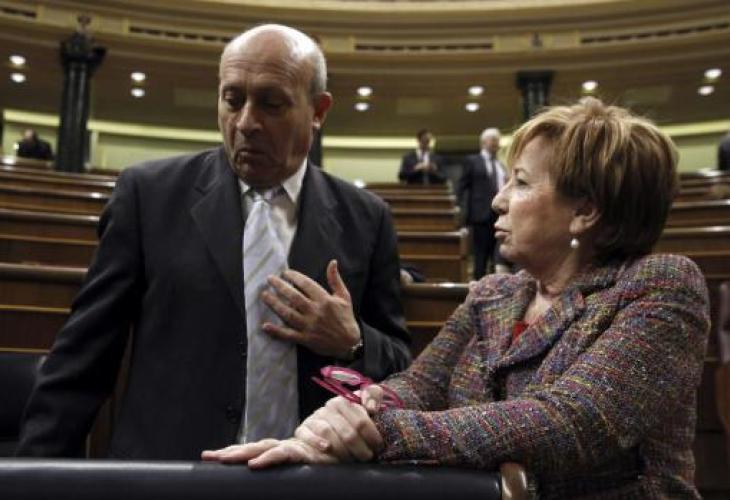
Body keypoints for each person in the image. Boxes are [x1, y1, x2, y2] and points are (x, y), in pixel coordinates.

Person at [203, 98, 710, 499]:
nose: (498, 200)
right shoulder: (493, 293)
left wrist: (378, 432)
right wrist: (354, 413)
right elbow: (419, 385)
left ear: (586, 211)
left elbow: (570, 423)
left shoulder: (662, 286)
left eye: (521, 183)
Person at [17, 24, 411, 460]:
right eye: (232, 99)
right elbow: (82, 359)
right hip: (167, 475)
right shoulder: (149, 197)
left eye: (271, 103)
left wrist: (354, 343)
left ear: (318, 111)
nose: (246, 123)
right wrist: (33, 475)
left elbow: (404, 373)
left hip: (310, 476)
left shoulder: (367, 219)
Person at [458, 127, 509, 279]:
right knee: (480, 255)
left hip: (500, 215)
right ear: (483, 142)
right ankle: (479, 287)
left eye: (498, 140)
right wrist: (461, 214)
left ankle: (495, 286)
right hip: (480, 215)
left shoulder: (500, 165)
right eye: (493, 140)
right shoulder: (472, 161)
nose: (497, 143)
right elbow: (461, 187)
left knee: (497, 255)